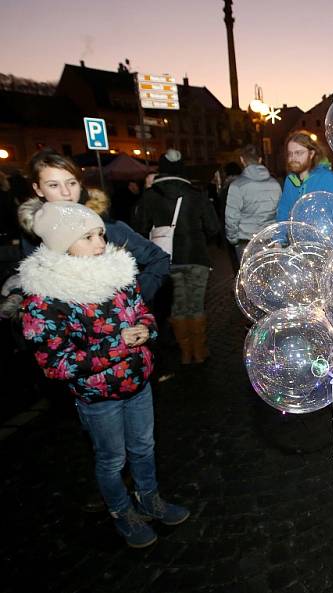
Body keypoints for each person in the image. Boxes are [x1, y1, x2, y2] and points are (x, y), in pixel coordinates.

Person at [18, 200, 189, 548]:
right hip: (98, 398)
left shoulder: (117, 274)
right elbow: (56, 363)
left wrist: (144, 329)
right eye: (88, 237)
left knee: (144, 447)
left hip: (138, 382)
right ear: (62, 244)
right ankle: (121, 511)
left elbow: (143, 312)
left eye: (100, 234)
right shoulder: (45, 300)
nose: (100, 243)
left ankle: (149, 498)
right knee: (112, 459)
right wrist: (118, 345)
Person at [20, 149, 169, 306]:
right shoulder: (33, 233)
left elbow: (158, 258)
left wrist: (133, 300)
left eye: (71, 183)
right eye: (53, 185)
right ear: (38, 189)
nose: (66, 193)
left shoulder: (106, 226)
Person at [133, 149, 219, 365]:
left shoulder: (150, 195)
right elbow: (213, 227)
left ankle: (185, 353)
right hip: (196, 257)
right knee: (196, 305)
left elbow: (139, 229)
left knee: (177, 306)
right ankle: (199, 351)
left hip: (166, 259)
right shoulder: (196, 193)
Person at [224, 144, 281, 261]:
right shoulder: (275, 184)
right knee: (268, 276)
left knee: (249, 276)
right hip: (269, 239)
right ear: (260, 159)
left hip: (246, 241)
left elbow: (231, 217)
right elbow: (279, 212)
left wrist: (233, 239)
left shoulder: (237, 186)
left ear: (242, 160)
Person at [276, 130, 333, 223]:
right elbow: (283, 214)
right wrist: (280, 237)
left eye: (298, 153)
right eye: (290, 153)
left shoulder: (328, 178)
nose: (293, 158)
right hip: (294, 236)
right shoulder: (290, 180)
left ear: (311, 154)